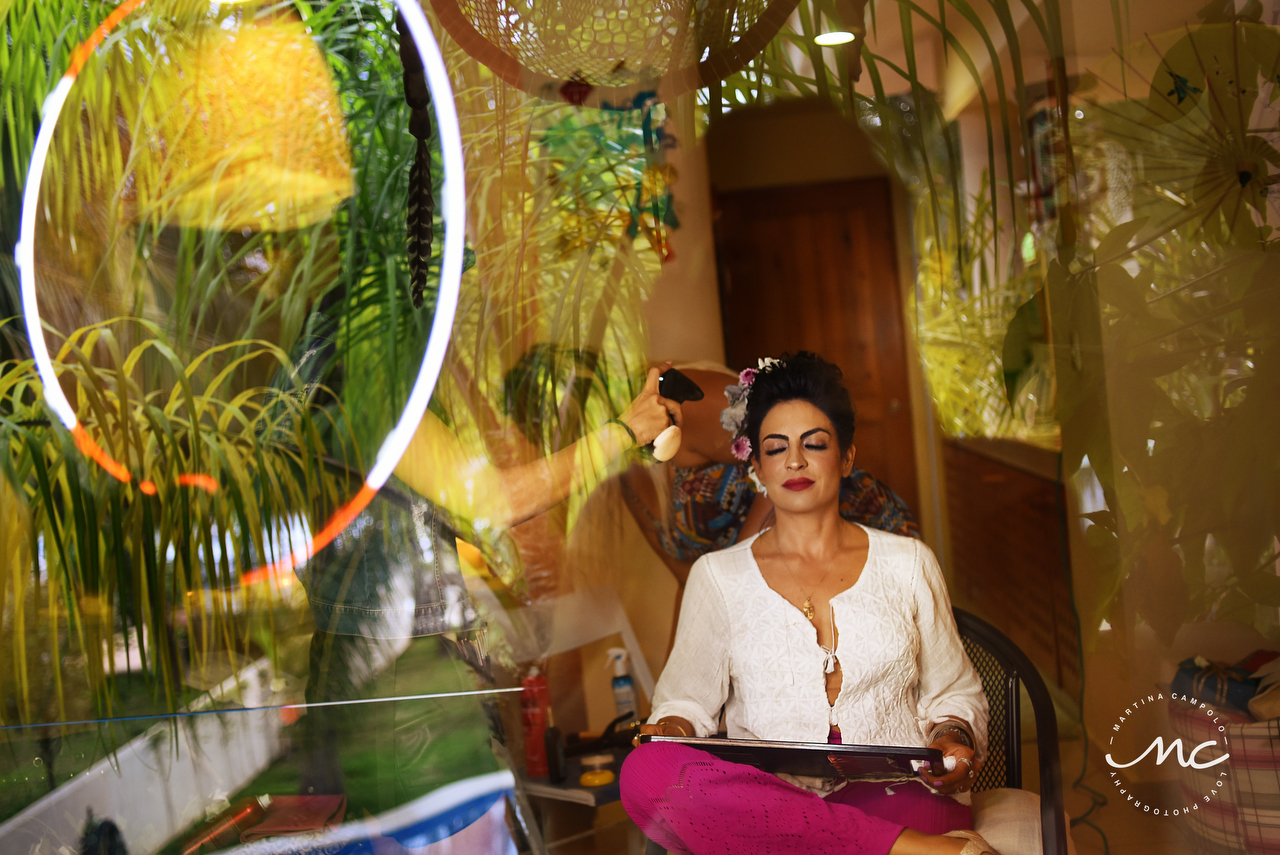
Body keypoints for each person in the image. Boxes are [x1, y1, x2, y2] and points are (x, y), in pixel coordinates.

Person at [620, 353, 996, 855]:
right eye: (775, 449)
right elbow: (685, 702)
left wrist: (953, 736)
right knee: (644, 771)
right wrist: (671, 729)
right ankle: (919, 851)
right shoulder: (717, 577)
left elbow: (955, 693)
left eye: (814, 444)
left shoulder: (908, 563)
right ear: (756, 467)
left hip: (901, 795)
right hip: (779, 808)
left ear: (845, 458)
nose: (794, 461)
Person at [620, 361, 919, 588]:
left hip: (851, 532)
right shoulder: (624, 483)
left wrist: (743, 580)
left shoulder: (683, 402)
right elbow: (693, 587)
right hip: (769, 580)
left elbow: (783, 469)